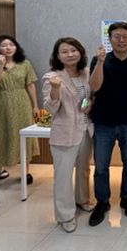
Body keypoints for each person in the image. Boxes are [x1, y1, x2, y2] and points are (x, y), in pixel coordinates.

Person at [88, 22, 127, 226]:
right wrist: (100, 62)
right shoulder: (99, 60)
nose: (121, 40)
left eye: (125, 36)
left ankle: (126, 197)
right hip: (103, 122)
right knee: (101, 166)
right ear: (110, 39)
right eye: (117, 36)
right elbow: (93, 87)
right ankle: (102, 201)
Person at [42, 37, 94, 233]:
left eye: (73, 50)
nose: (70, 54)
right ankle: (65, 215)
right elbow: (51, 108)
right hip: (65, 132)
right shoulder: (52, 77)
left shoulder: (86, 73)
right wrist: (55, 89)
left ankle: (83, 200)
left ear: (80, 52)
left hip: (86, 129)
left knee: (83, 169)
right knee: (63, 175)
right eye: (64, 51)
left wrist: (88, 104)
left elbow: (88, 98)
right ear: (57, 55)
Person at [0, 35, 39, 196]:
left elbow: (30, 85)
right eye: (3, 45)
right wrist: (1, 66)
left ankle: (25, 172)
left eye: (11, 44)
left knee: (23, 136)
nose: (8, 48)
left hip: (21, 103)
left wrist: (35, 105)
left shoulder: (25, 63)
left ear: (16, 47)